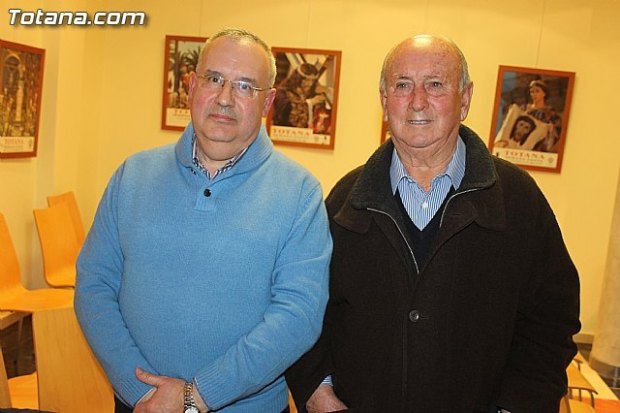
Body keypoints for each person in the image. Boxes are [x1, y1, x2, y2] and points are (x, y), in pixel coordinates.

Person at [286, 34, 580, 412]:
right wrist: (319, 395)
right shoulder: (347, 200)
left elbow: (551, 321)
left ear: (466, 99)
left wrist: (519, 405)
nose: (417, 101)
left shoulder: (517, 199)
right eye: (402, 85)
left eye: (436, 84)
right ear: (384, 100)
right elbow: (305, 308)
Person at [75, 28, 332, 413]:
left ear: (268, 102)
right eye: (214, 79)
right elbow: (94, 286)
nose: (225, 98)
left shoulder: (301, 193)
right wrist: (142, 392)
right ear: (192, 86)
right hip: (140, 405)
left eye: (246, 86)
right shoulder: (132, 176)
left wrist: (197, 396)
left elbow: (298, 317)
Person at [272, 62, 330, 131]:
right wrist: (309, 103)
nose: (310, 84)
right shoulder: (283, 92)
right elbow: (285, 110)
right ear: (298, 79)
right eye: (306, 80)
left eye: (312, 81)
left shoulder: (309, 92)